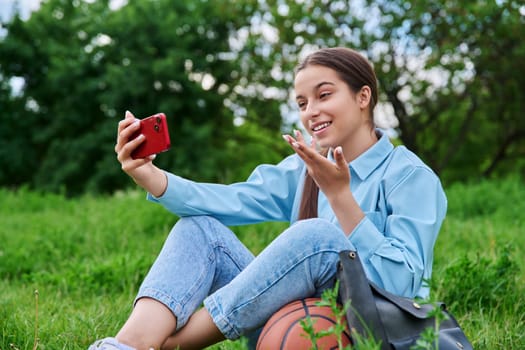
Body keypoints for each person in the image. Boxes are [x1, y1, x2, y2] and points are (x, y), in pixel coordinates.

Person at [89, 47, 447, 350]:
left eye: (324, 96)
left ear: (363, 97)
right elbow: (226, 201)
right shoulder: (301, 169)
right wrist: (149, 176)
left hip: (376, 334)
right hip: (294, 329)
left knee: (317, 236)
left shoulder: (409, 176)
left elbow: (402, 286)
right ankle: (128, 344)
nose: (311, 112)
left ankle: (171, 345)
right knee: (201, 231)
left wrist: (340, 196)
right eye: (302, 102)